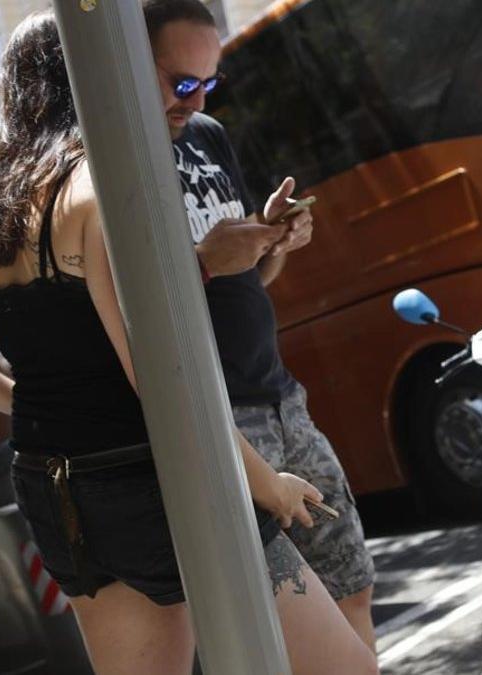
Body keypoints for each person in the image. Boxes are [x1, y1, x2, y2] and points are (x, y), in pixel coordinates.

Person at [0, 12, 376, 675]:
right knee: (345, 669)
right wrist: (265, 481)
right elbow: (161, 376)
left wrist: (13, 400)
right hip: (155, 478)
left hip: (57, 488)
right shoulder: (101, 193)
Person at [142, 0, 378, 650]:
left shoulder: (208, 136)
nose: (193, 100)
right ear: (134, 63)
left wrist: (271, 243)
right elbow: (127, 311)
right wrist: (206, 264)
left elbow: (245, 280)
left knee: (351, 582)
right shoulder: (110, 162)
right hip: (221, 421)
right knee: (271, 627)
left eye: (207, 83)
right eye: (180, 82)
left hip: (281, 397)